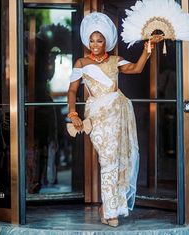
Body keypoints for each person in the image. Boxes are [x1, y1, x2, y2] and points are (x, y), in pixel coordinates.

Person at [67, 12, 163, 227]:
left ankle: (110, 210)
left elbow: (136, 69)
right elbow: (72, 91)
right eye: (91, 40)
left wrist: (149, 46)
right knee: (107, 159)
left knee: (118, 162)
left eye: (99, 40)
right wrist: (73, 113)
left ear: (106, 42)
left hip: (117, 114)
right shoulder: (81, 62)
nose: (94, 44)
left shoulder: (115, 60)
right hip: (97, 117)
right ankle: (109, 209)